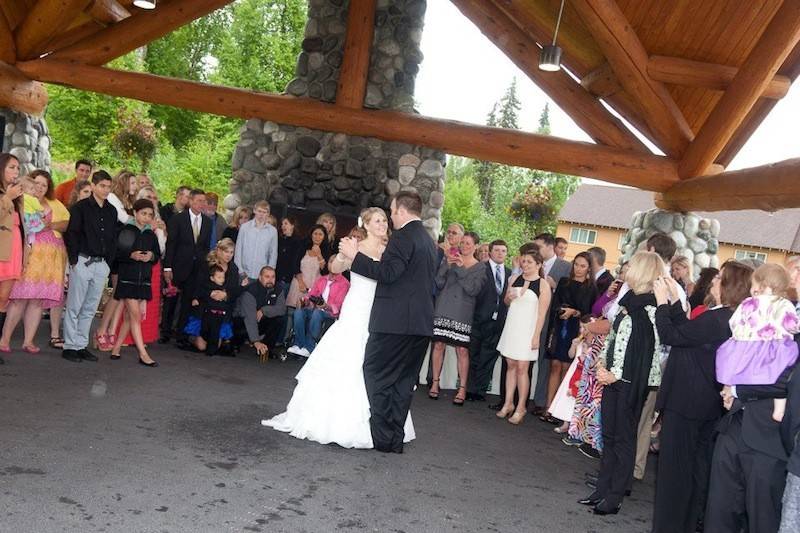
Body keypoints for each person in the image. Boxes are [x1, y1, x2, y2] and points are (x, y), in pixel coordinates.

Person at [263, 207, 417, 449]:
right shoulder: (356, 246)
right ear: (365, 224)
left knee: (375, 364)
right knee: (348, 357)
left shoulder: (390, 250)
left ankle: (379, 423)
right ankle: (333, 419)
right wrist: (344, 256)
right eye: (376, 220)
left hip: (380, 312)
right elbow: (334, 269)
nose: (381, 224)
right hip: (357, 309)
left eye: (384, 220)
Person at [651, 261, 753, 533]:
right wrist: (675, 302)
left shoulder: (716, 318)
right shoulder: (728, 317)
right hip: (704, 403)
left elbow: (671, 334)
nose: (713, 281)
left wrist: (662, 304)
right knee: (694, 470)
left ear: (730, 286)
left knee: (675, 472)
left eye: (720, 278)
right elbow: (687, 333)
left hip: (686, 402)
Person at [338, 193, 437, 453]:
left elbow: (388, 274)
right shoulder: (428, 239)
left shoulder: (403, 237)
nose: (391, 216)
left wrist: (354, 256)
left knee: (377, 375)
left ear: (402, 211)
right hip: (419, 324)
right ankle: (393, 440)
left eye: (392, 211)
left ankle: (383, 439)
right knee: (403, 383)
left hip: (394, 324)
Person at [579, 251, 664, 515]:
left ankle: (614, 497)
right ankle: (602, 490)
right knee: (610, 436)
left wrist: (615, 373)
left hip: (630, 382)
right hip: (614, 377)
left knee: (624, 439)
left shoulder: (649, 309)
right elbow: (616, 339)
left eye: (631, 267)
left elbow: (641, 351)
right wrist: (603, 364)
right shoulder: (630, 302)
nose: (624, 270)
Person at [717, 264, 799, 424]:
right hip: (774, 350)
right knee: (778, 376)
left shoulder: (748, 302)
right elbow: (792, 325)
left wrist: (741, 337)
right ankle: (779, 410)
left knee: (735, 369)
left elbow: (734, 322)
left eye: (753, 284)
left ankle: (730, 392)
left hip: (748, 348)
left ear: (761, 286)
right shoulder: (786, 304)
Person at [0, 170, 69, 353]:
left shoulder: (54, 204)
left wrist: (52, 225)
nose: (39, 188)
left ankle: (28, 341)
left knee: (37, 300)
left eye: (44, 185)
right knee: (19, 299)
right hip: (29, 255)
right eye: (36, 183)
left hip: (48, 260)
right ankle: (5, 339)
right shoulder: (20, 200)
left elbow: (67, 223)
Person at [61, 171, 118, 363]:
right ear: (93, 186)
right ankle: (69, 346)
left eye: (108, 186)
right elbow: (72, 234)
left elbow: (112, 238)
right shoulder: (80, 208)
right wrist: (74, 261)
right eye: (102, 185)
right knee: (74, 305)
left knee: (90, 307)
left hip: (101, 264)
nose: (105, 190)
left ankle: (81, 344)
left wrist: (108, 263)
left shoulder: (111, 211)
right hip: (82, 261)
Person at [428, 231, 486, 405]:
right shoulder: (450, 259)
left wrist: (460, 268)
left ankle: (462, 389)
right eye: (462, 243)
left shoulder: (480, 266)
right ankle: (435, 383)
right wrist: (447, 263)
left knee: (462, 350)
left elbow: (473, 290)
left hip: (463, 312)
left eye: (468, 243)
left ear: (475, 246)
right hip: (444, 308)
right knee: (438, 345)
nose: (464, 246)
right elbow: (438, 282)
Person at [495, 247, 551, 425]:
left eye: (529, 262)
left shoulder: (543, 284)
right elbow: (506, 302)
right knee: (510, 364)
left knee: (522, 368)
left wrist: (536, 337)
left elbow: (542, 314)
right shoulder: (514, 278)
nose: (525, 264)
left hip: (528, 330)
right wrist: (510, 296)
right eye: (523, 261)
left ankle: (521, 407)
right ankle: (508, 403)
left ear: (538, 265)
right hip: (512, 327)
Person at [543, 252, 597, 422]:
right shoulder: (564, 282)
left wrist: (575, 312)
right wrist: (563, 311)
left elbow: (589, 313)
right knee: (555, 366)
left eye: (583, 266)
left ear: (589, 269)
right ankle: (548, 408)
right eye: (576, 264)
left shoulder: (591, 288)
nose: (578, 269)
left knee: (568, 369)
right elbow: (554, 304)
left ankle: (561, 410)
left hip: (576, 330)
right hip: (559, 327)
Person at [108, 199, 162, 366]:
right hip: (127, 278)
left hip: (143, 279)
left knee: (129, 316)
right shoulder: (126, 230)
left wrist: (150, 256)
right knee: (136, 315)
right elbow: (116, 254)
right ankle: (143, 353)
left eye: (149, 215)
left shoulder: (150, 234)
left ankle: (116, 348)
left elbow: (157, 255)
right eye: (143, 213)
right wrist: (131, 255)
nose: (146, 217)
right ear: (135, 213)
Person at [92, 170, 137, 350]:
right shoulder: (113, 199)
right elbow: (124, 219)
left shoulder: (127, 201)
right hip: (117, 252)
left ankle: (110, 330)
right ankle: (101, 331)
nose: (135, 187)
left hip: (125, 251)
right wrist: (145, 222)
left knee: (121, 294)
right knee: (117, 292)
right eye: (132, 183)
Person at [161, 189, 212, 344]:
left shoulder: (208, 222)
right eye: (198, 200)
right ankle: (166, 332)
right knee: (171, 300)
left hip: (196, 268)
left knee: (187, 303)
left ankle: (182, 335)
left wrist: (204, 266)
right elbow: (171, 244)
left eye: (204, 201)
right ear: (190, 201)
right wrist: (167, 267)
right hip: (178, 266)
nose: (201, 204)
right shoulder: (178, 219)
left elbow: (205, 247)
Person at [530, 232, 572, 415]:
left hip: (553, 323)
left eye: (538, 247)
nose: (536, 251)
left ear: (550, 246)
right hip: (531, 318)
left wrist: (555, 287)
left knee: (546, 362)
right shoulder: (534, 265)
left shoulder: (565, 267)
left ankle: (541, 402)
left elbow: (570, 295)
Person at [468, 240, 511, 402]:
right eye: (497, 250)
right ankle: (470, 389)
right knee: (474, 355)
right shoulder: (480, 268)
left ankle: (480, 390)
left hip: (498, 322)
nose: (500, 253)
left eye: (504, 251)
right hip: (479, 319)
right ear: (490, 252)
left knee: (489, 357)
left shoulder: (509, 273)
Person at [184, 238, 242, 355]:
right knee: (201, 346)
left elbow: (235, 291)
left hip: (222, 310)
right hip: (205, 308)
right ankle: (191, 337)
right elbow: (198, 286)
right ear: (219, 251)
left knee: (215, 346)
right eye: (226, 252)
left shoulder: (234, 269)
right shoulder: (207, 265)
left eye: (231, 252)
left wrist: (225, 295)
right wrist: (210, 293)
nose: (229, 255)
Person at [287, 256, 350, 357]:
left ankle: (309, 346)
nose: (332, 265)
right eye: (330, 262)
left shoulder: (344, 283)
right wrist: (304, 301)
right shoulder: (322, 279)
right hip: (316, 309)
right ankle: (298, 344)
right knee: (298, 312)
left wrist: (326, 306)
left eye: (335, 262)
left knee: (317, 313)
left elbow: (338, 306)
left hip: (330, 313)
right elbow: (311, 295)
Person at [233, 266, 286, 358]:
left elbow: (282, 309)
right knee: (240, 328)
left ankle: (267, 349)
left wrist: (264, 310)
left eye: (273, 277)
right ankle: (235, 343)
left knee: (279, 319)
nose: (270, 280)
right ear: (260, 277)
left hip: (260, 320)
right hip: (243, 322)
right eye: (267, 276)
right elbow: (250, 319)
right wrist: (256, 341)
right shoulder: (250, 291)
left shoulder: (279, 289)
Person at [0, 153, 25, 347]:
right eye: (11, 167)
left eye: (18, 168)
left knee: (3, 299)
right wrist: (7, 197)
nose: (16, 171)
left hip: (14, 252)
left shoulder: (17, 194)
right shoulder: (9, 195)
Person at [286, 224, 330, 309]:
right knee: (292, 313)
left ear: (324, 237)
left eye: (320, 234)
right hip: (299, 284)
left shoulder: (326, 251)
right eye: (315, 234)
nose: (317, 237)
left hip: (314, 287)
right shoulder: (302, 246)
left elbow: (325, 272)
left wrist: (319, 255)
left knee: (308, 314)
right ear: (311, 235)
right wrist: (300, 282)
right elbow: (295, 265)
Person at [234, 200, 278, 283]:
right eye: (259, 211)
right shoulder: (244, 228)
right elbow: (238, 250)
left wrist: (268, 275)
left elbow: (273, 254)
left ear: (268, 214)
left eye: (264, 212)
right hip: (244, 273)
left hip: (261, 276)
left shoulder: (273, 231)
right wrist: (241, 271)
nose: (261, 215)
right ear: (254, 211)